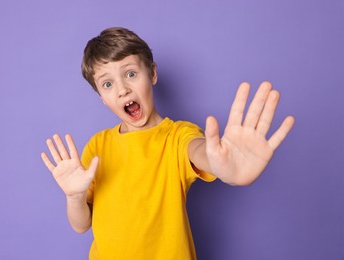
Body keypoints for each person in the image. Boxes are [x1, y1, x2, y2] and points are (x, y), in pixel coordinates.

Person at [41, 27, 295, 260]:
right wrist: (74, 197)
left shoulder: (178, 136)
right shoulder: (98, 145)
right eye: (107, 84)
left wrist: (223, 164)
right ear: (101, 97)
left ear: (152, 73)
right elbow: (81, 224)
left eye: (130, 73)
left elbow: (199, 151)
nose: (122, 90)